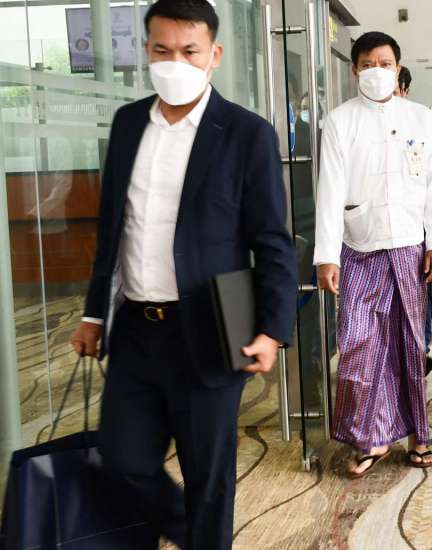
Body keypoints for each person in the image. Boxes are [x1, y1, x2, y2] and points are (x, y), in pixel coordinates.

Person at [69, 0, 298, 548]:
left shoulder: (246, 133)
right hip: (136, 330)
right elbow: (112, 227)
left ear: (214, 55)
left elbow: (272, 241)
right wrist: (94, 313)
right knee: (123, 461)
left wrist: (271, 329)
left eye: (189, 51)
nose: (175, 62)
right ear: (145, 52)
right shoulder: (129, 124)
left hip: (210, 329)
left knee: (208, 478)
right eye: (162, 50)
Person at [314, 31, 432, 477]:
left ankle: (417, 435)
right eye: (368, 64)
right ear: (354, 69)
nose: (377, 71)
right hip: (359, 246)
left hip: (410, 246)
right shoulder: (339, 121)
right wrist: (326, 255)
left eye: (385, 63)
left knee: (410, 344)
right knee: (358, 344)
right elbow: (329, 189)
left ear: (398, 68)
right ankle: (370, 438)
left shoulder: (421, 117)